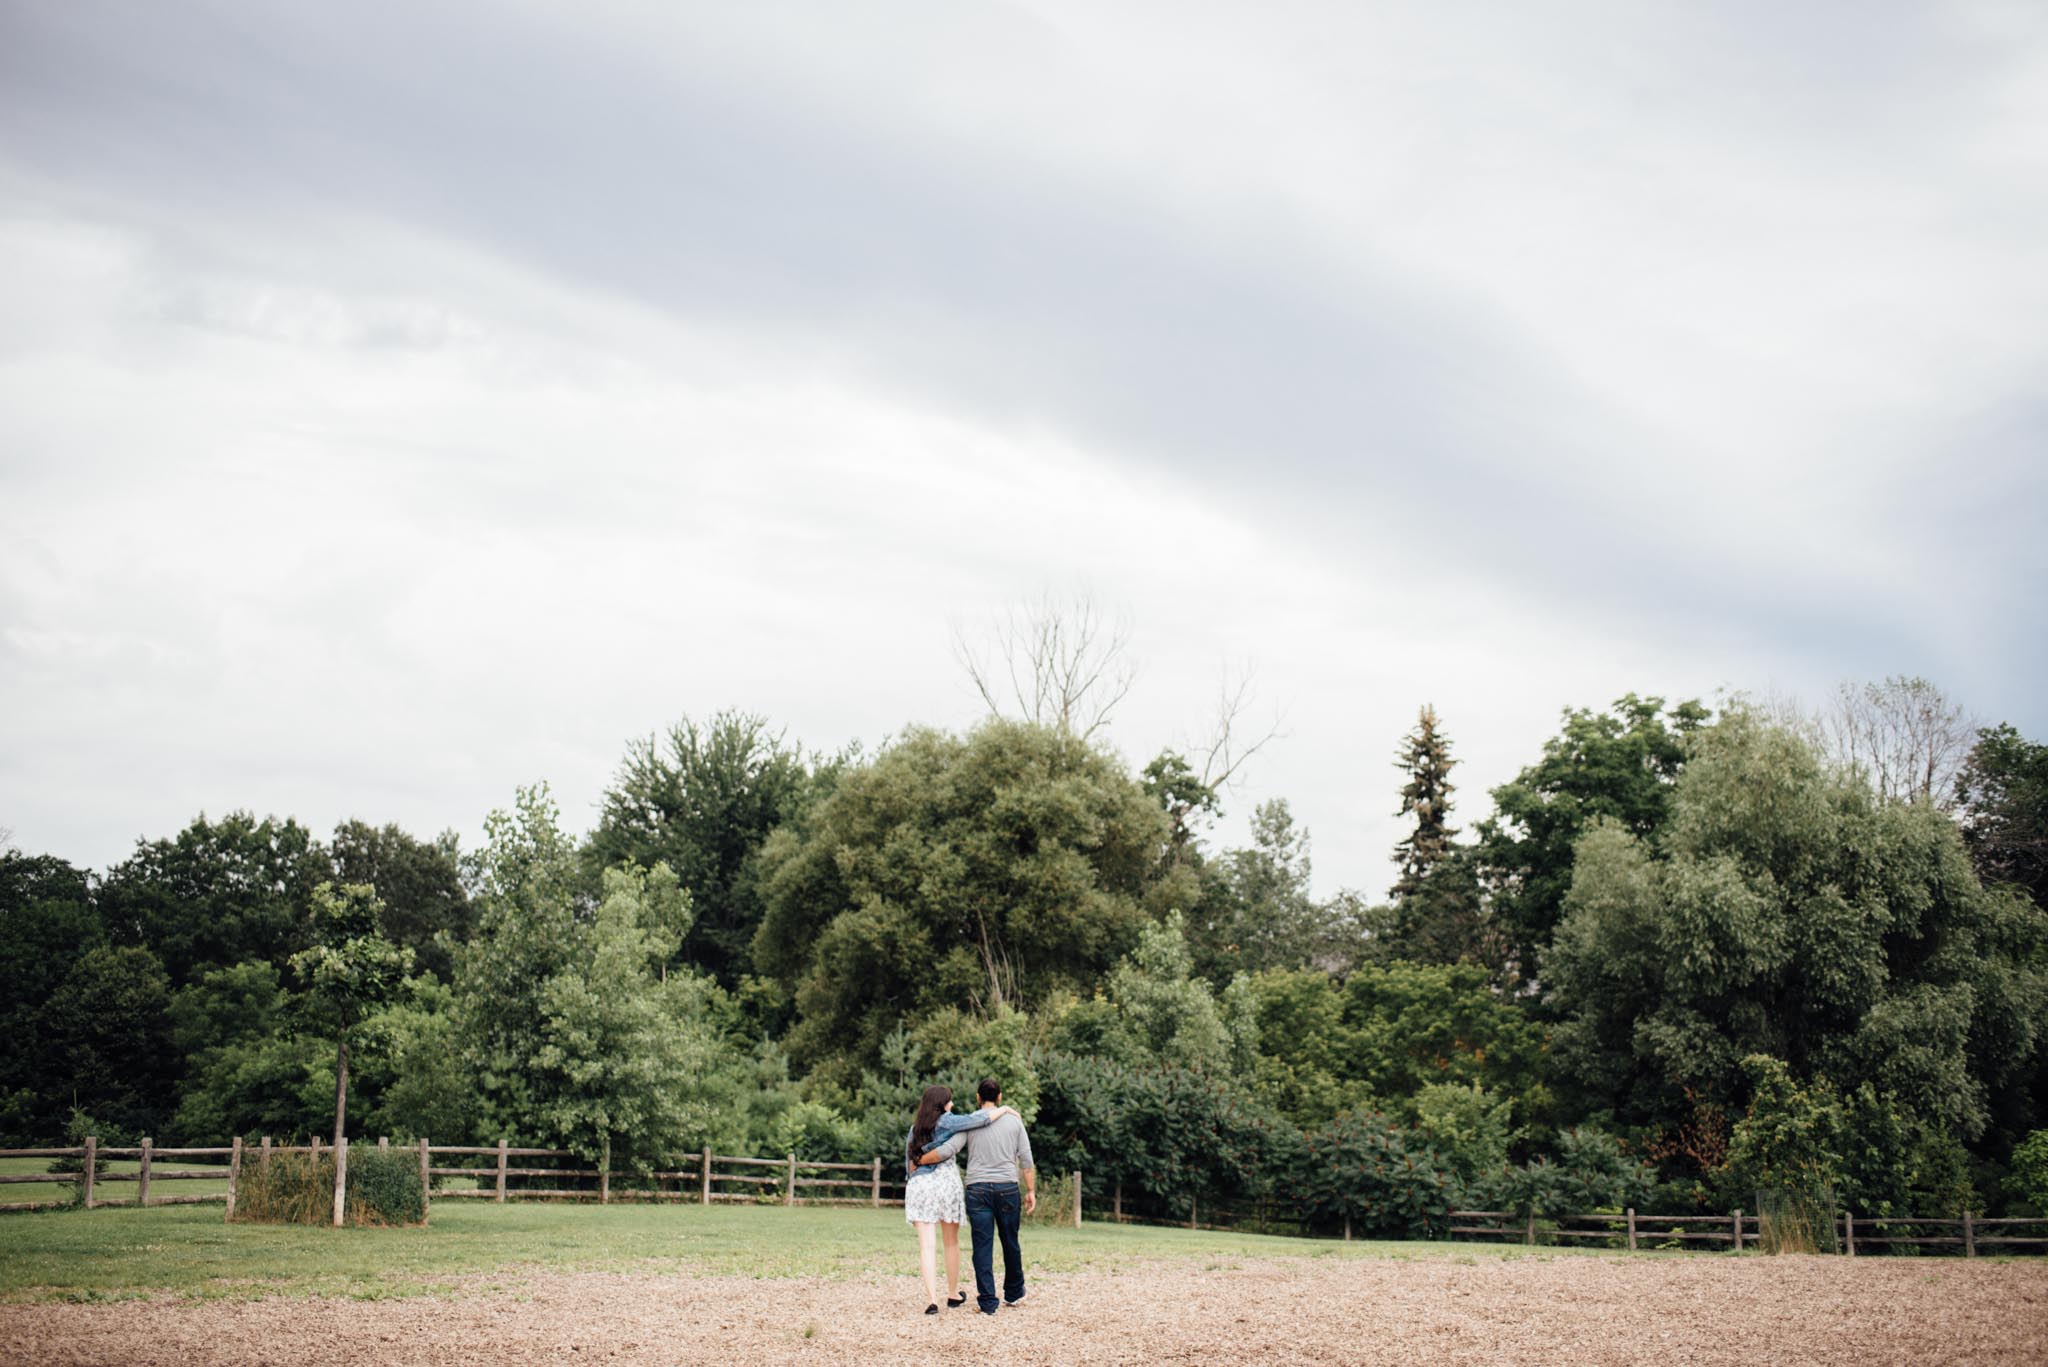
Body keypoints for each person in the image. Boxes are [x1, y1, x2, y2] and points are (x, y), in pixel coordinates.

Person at [915, 1076, 1034, 1315]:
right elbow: (1027, 1159)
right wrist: (1030, 1190)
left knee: (982, 1245)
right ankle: (1013, 1292)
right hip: (1007, 1188)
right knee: (1010, 1241)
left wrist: (919, 1159)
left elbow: (948, 1150)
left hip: (977, 1189)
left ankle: (988, 1301)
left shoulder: (970, 1123)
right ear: (999, 1097)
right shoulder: (1014, 1121)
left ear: (978, 1098)